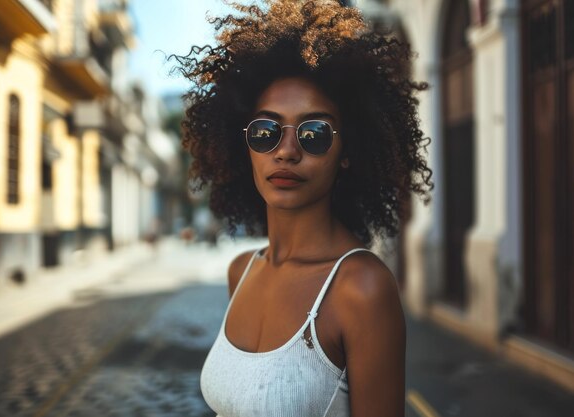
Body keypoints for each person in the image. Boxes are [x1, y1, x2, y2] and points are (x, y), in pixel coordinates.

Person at [173, 1, 433, 416]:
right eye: (266, 132)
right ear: (246, 146)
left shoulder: (361, 288)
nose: (287, 151)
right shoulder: (241, 271)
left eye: (314, 133)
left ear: (347, 150)